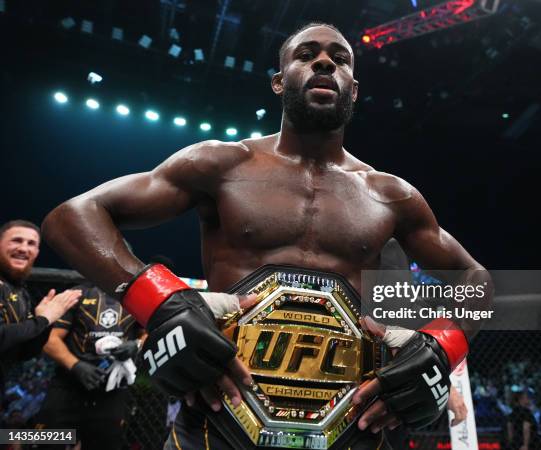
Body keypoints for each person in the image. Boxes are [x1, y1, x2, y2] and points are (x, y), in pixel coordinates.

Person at [42, 22, 490, 449]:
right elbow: (72, 217)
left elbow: (478, 281)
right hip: (221, 415)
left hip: (350, 424)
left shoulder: (391, 194)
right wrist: (162, 304)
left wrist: (439, 348)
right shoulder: (222, 164)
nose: (324, 63)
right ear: (279, 82)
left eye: (339, 58)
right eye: (307, 54)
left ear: (353, 89)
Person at [34, 283, 146, 450]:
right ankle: (14, 437)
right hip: (68, 386)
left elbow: (151, 331)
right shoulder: (75, 294)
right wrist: (76, 366)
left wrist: (137, 344)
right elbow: (49, 339)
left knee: (105, 444)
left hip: (111, 390)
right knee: (47, 441)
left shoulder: (136, 297)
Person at [0, 220, 80, 409]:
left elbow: (25, 353)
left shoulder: (20, 291)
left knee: (53, 438)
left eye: (31, 244)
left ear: (37, 253)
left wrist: (45, 323)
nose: (23, 248)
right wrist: (44, 319)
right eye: (16, 240)